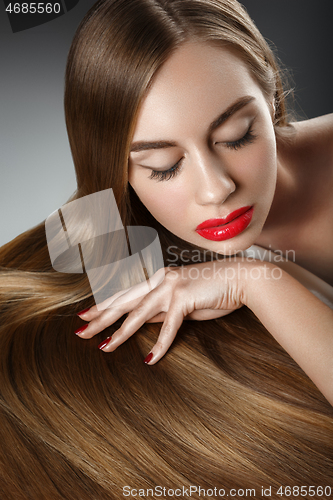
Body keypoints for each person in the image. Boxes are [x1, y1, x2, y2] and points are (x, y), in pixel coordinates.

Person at [0, 0, 332, 498]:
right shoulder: (114, 219)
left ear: (272, 96)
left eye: (236, 136)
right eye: (162, 166)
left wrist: (258, 282)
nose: (216, 189)